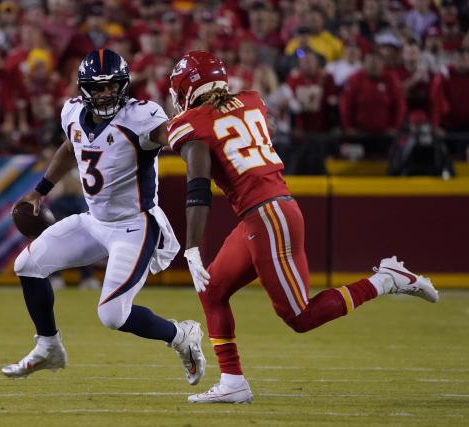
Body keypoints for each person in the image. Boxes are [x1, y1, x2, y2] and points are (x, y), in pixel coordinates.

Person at [165, 51, 439, 404]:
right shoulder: (252, 100)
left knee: (300, 316)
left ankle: (386, 279)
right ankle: (233, 382)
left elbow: (198, 186)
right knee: (213, 290)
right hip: (261, 214)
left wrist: (191, 247)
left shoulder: (193, 124)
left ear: (187, 88)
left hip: (269, 216)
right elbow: (265, 129)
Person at [1, 48, 206, 386]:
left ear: (124, 86)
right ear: (84, 89)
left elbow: (171, 137)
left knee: (111, 315)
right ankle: (48, 346)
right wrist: (40, 190)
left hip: (135, 225)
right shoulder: (71, 112)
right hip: (95, 223)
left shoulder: (141, 116)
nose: (105, 93)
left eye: (112, 86)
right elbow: (71, 147)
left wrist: (185, 141)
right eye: (98, 88)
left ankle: (181, 335)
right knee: (27, 265)